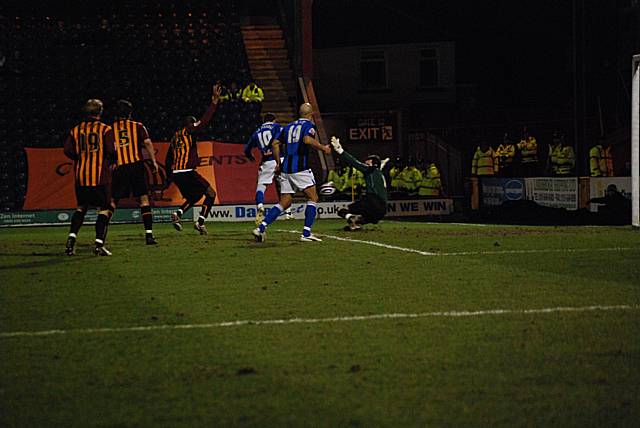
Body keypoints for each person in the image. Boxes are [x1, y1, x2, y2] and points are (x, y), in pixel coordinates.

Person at [252, 102, 331, 243]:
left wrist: (278, 162)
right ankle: (306, 233)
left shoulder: (288, 127)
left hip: (285, 168)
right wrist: (323, 148)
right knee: (313, 198)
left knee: (285, 201)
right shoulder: (308, 126)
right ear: (311, 114)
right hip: (300, 168)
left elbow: (275, 143)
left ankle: (261, 228)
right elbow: (307, 139)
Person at [166, 84, 222, 235]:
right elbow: (204, 122)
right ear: (190, 124)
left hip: (176, 173)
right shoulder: (188, 130)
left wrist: (168, 176)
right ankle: (200, 222)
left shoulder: (175, 136)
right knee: (211, 194)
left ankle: (177, 213)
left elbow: (168, 157)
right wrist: (214, 102)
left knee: (195, 196)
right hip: (186, 171)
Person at [63, 99, 115, 256]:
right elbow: (112, 150)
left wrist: (81, 157)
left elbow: (67, 150)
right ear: (100, 111)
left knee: (81, 208)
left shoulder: (76, 130)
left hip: (81, 177)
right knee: (105, 208)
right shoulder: (105, 129)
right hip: (99, 177)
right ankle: (99, 244)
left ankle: (71, 240)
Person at [109, 99, 159, 245]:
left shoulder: (110, 129)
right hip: (136, 166)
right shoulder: (138, 126)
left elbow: (109, 149)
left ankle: (100, 238)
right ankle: (149, 235)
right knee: (143, 199)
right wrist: (154, 161)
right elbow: (148, 143)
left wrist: (111, 162)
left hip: (120, 166)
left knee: (113, 201)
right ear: (130, 113)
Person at [330, 137, 388, 231]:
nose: (366, 162)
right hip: (383, 209)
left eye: (368, 160)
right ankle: (356, 223)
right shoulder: (379, 172)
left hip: (373, 201)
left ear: (372, 163)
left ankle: (350, 218)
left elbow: (354, 162)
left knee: (344, 211)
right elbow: (378, 168)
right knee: (371, 217)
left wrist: (340, 150)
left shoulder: (370, 170)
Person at [243, 112, 292, 224]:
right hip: (280, 158)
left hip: (266, 162)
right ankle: (288, 212)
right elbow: (283, 139)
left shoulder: (257, 131)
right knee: (285, 184)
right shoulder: (276, 127)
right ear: (274, 120)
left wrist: (250, 156)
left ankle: (260, 205)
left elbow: (247, 149)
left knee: (261, 186)